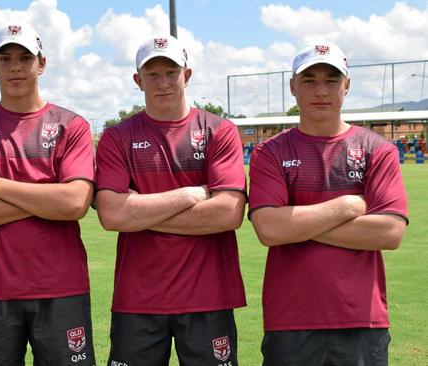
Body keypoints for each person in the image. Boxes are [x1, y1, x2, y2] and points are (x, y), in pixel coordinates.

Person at [0, 23, 96, 366]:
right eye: (6, 58)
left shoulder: (71, 126)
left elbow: (74, 203)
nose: (15, 66)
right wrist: (47, 197)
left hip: (61, 289)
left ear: (41, 64)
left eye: (25, 57)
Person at [248, 42, 408, 365]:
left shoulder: (377, 150)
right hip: (289, 320)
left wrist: (295, 224)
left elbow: (389, 232)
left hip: (361, 320)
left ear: (346, 85)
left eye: (331, 80)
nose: (321, 90)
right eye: (309, 80)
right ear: (293, 86)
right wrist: (349, 206)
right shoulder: (270, 153)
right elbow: (268, 229)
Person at [95, 34, 247, 366]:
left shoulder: (218, 131)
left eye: (171, 72)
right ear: (138, 80)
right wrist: (189, 195)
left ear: (187, 75)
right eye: (152, 74)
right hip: (138, 298)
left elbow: (227, 214)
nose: (163, 82)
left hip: (209, 296)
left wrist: (139, 209)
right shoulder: (117, 137)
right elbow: (111, 215)